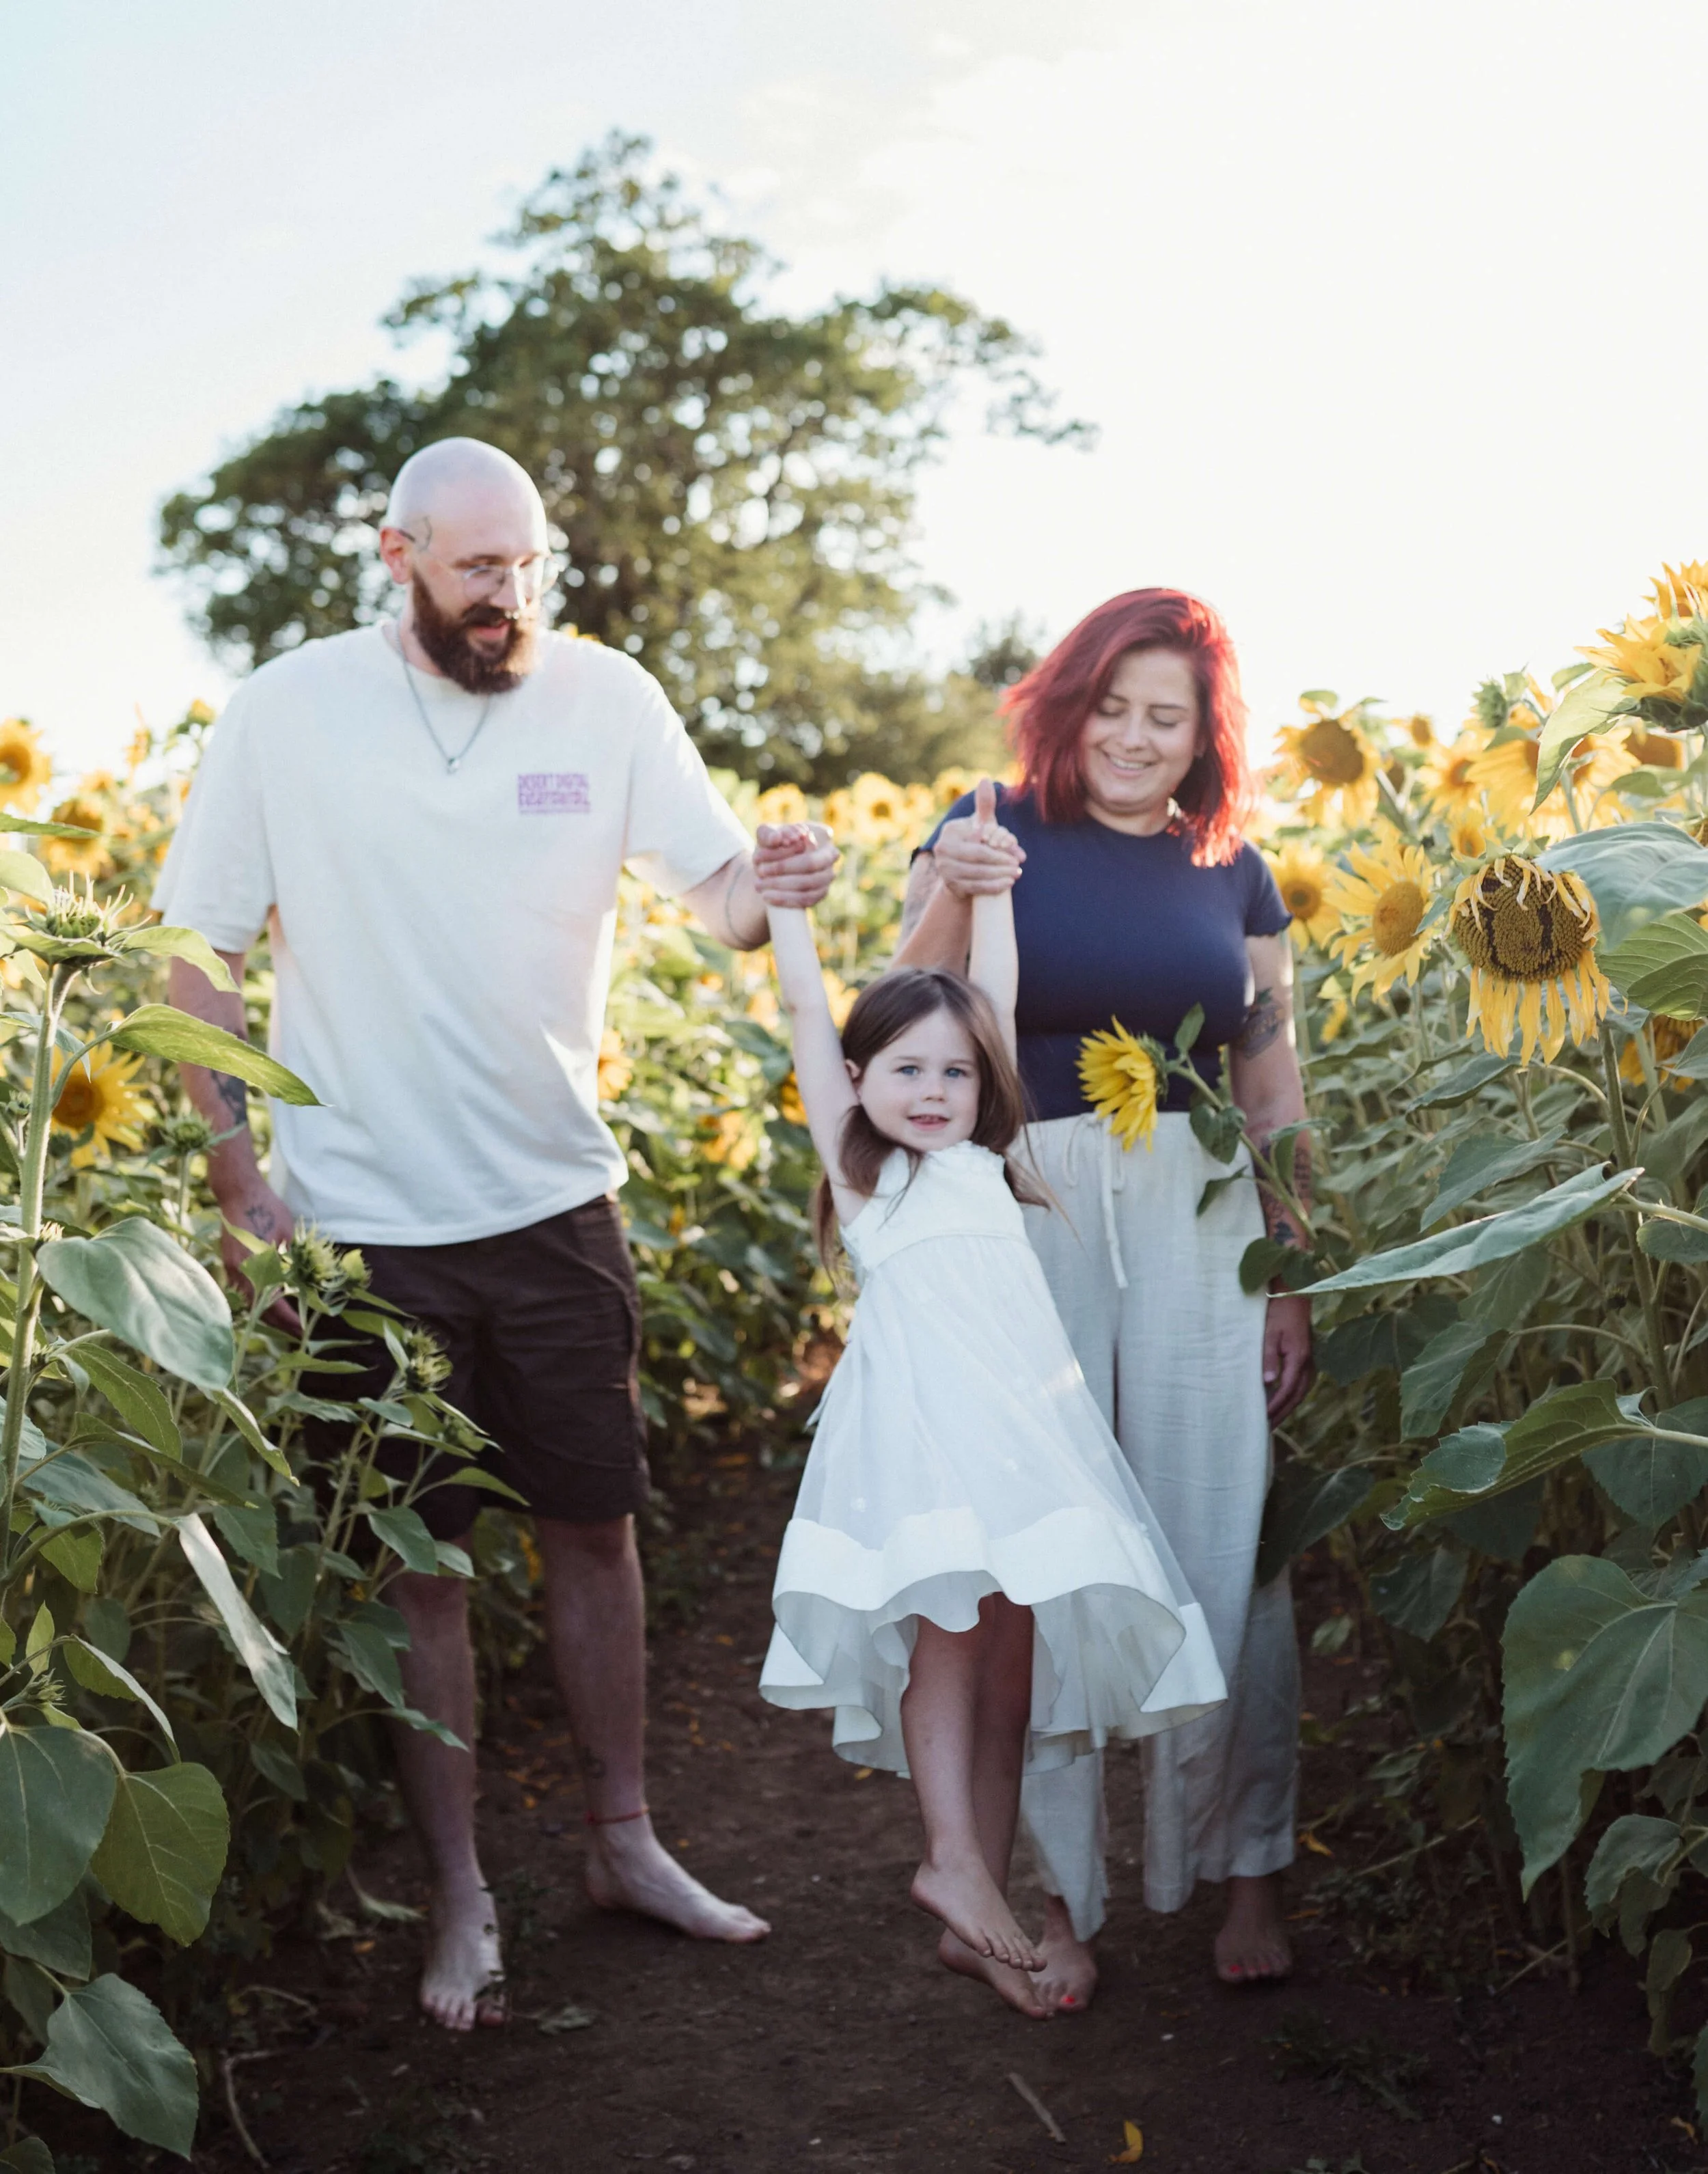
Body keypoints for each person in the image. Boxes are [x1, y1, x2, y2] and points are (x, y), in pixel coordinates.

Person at [153, 437, 837, 2032]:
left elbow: (719, 892)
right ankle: (459, 1890)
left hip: (551, 1201)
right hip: (361, 1227)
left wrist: (775, 876)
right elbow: (197, 948)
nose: (509, 596)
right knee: (424, 1572)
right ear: (394, 555)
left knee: (595, 1526)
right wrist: (234, 1168)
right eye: (477, 569)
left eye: (530, 565)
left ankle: (622, 1838)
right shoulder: (287, 711)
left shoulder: (605, 700)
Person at [896, 589, 1315, 2009]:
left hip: (1203, 1214)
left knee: (1224, 1521)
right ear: (1064, 705)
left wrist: (1288, 1268)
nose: (1136, 740)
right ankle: (1061, 1896)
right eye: (1113, 707)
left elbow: (1268, 1084)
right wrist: (954, 881)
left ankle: (1245, 1855)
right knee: (1054, 1548)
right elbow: (902, 1010)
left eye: (1168, 717)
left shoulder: (1232, 870)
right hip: (1031, 1207)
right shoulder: (988, 826)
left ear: (1204, 738)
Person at [757, 797, 1226, 2020]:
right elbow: (810, 1017)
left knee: (1015, 1639)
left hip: (1024, 1425)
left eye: (953, 1072)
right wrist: (789, 915)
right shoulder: (873, 1188)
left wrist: (1002, 886)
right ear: (859, 1085)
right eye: (904, 1069)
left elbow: (996, 995)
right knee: (950, 1632)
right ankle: (950, 1856)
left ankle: (987, 1896)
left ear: (984, 1087)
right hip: (925, 1429)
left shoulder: (988, 1166)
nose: (931, 1087)